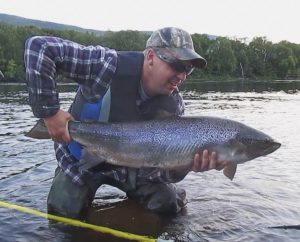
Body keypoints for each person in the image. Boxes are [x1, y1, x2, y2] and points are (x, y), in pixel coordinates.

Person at [24, 27, 228, 219]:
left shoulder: (173, 106)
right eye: (177, 65)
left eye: (188, 70)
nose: (182, 76)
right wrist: (49, 113)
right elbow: (39, 47)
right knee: (63, 213)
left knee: (168, 204)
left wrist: (184, 166)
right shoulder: (105, 65)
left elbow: (160, 172)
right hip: (80, 157)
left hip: (133, 167)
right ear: (150, 57)